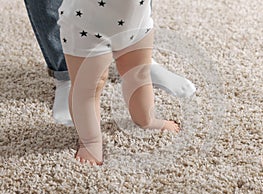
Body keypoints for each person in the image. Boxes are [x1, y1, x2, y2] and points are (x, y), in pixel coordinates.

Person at [24, 0, 196, 127]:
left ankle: (146, 120)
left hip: (135, 20)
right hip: (85, 25)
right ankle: (89, 141)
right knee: (88, 86)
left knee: (138, 73)